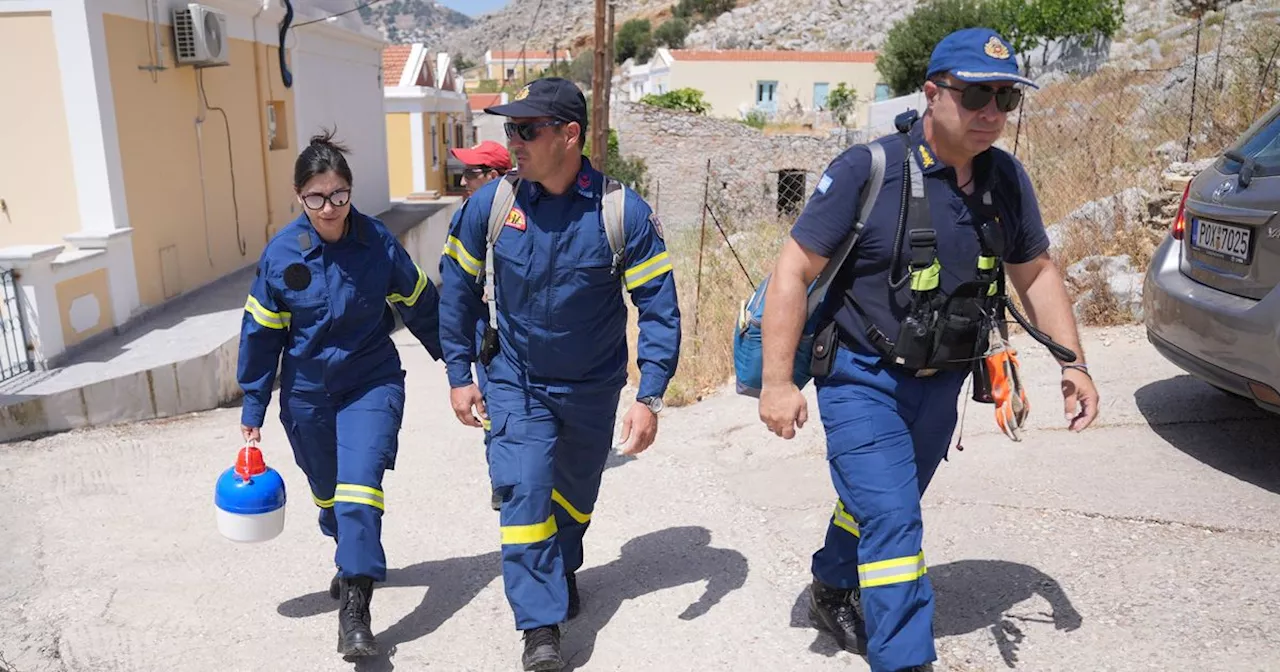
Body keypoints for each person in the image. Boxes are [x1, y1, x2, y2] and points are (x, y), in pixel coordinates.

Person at [757, 28, 1100, 672]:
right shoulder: (870, 169)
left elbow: (1037, 271)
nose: (991, 112)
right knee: (895, 523)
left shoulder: (1004, 179)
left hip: (943, 383)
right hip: (860, 375)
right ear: (933, 93)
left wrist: (1073, 362)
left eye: (1005, 98)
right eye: (975, 96)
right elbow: (792, 271)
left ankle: (833, 583)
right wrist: (778, 382)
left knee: (887, 501)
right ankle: (904, 657)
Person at [437, 77, 681, 671]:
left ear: (570, 136)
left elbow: (659, 308)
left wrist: (649, 393)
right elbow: (457, 292)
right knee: (525, 490)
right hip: (515, 380)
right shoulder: (492, 205)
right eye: (509, 130)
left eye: (527, 129)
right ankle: (539, 627)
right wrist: (459, 372)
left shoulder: (623, 213)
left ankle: (561, 563)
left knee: (571, 500)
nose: (513, 141)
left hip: (593, 388)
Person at [236, 130, 444, 659]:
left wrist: (461, 364)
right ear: (298, 196)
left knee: (358, 493)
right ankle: (348, 555)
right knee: (330, 498)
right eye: (316, 197)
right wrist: (253, 407)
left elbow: (421, 303)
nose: (329, 209)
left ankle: (355, 609)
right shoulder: (281, 255)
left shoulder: (376, 243)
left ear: (351, 191)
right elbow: (261, 334)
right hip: (307, 397)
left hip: (370, 382)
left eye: (339, 195)